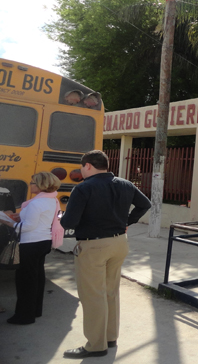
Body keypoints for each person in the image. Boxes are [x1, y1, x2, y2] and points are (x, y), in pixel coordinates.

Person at [61, 150, 151, 359]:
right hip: (119, 243)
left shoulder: (83, 188)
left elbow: (69, 222)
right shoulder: (125, 184)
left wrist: (61, 218)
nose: (81, 171)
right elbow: (145, 204)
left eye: (82, 167)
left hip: (93, 246)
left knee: (93, 295)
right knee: (111, 291)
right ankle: (110, 337)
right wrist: (127, 221)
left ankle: (95, 345)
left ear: (88, 165)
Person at [1, 172, 61, 324]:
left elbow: (28, 227)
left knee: (25, 280)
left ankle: (24, 316)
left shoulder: (36, 203)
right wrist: (18, 217)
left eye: (32, 183)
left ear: (41, 185)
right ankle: (35, 310)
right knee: (37, 278)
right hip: (44, 242)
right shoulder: (52, 200)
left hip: (31, 243)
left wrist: (8, 223)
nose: (30, 185)